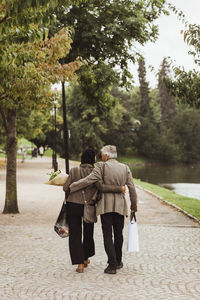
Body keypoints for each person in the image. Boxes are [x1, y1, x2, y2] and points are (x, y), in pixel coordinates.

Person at [69, 145, 137, 274]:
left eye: (102, 154)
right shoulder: (125, 168)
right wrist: (134, 207)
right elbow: (132, 188)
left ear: (106, 155)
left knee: (107, 235)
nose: (100, 156)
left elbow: (89, 180)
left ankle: (112, 265)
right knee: (118, 234)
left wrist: (73, 186)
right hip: (120, 206)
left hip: (106, 206)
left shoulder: (101, 166)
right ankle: (118, 261)